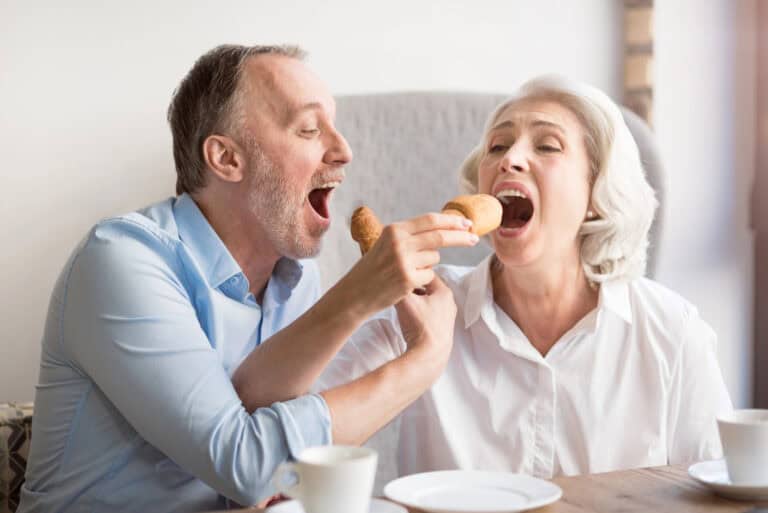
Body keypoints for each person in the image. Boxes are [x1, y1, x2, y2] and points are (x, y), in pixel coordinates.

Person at [18, 44, 479, 512]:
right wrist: (423, 359)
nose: (344, 151)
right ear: (226, 158)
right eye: (309, 129)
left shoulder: (296, 277)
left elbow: (275, 449)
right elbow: (249, 467)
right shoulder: (122, 261)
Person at [316, 75, 733, 479]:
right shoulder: (421, 303)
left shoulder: (673, 333)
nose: (509, 159)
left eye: (547, 145)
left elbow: (719, 490)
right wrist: (382, 317)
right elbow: (298, 439)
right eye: (497, 146)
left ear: (596, 192)